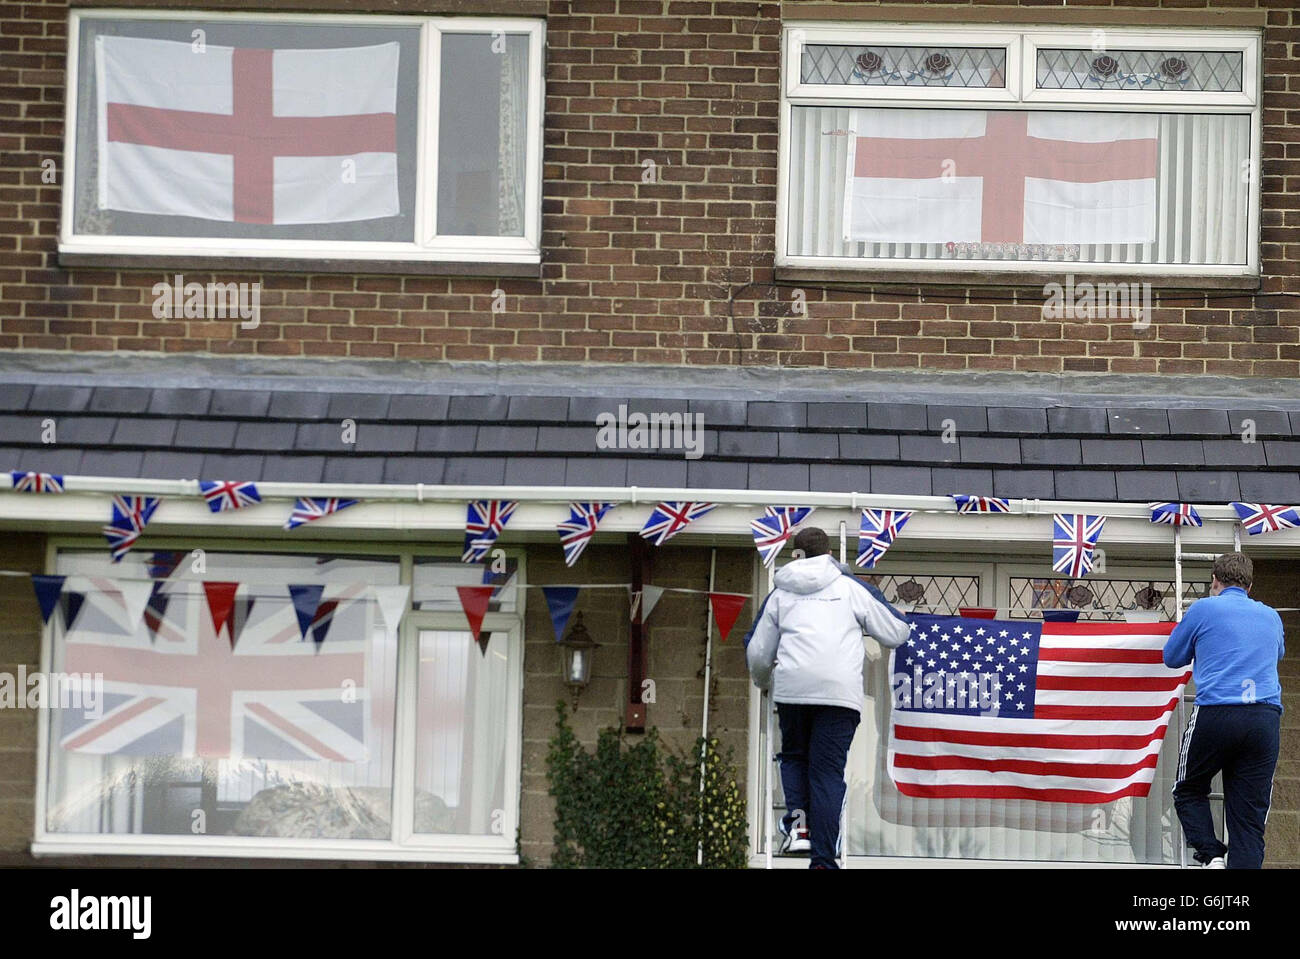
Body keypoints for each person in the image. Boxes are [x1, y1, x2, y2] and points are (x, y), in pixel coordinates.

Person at [745, 527, 911, 869]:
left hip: (793, 690)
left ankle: (800, 825)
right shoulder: (850, 589)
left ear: (796, 555)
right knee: (826, 773)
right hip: (839, 693)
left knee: (793, 757)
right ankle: (823, 861)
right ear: (830, 554)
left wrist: (763, 681)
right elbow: (896, 632)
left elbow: (758, 651)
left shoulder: (779, 593)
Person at [1163, 552, 1285, 869]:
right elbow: (1278, 653)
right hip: (1264, 717)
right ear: (1250, 585)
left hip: (1217, 711)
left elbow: (1172, 657)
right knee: (1248, 818)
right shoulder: (1271, 616)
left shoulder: (1204, 607)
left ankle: (1212, 855)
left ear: (1214, 581)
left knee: (1188, 789)